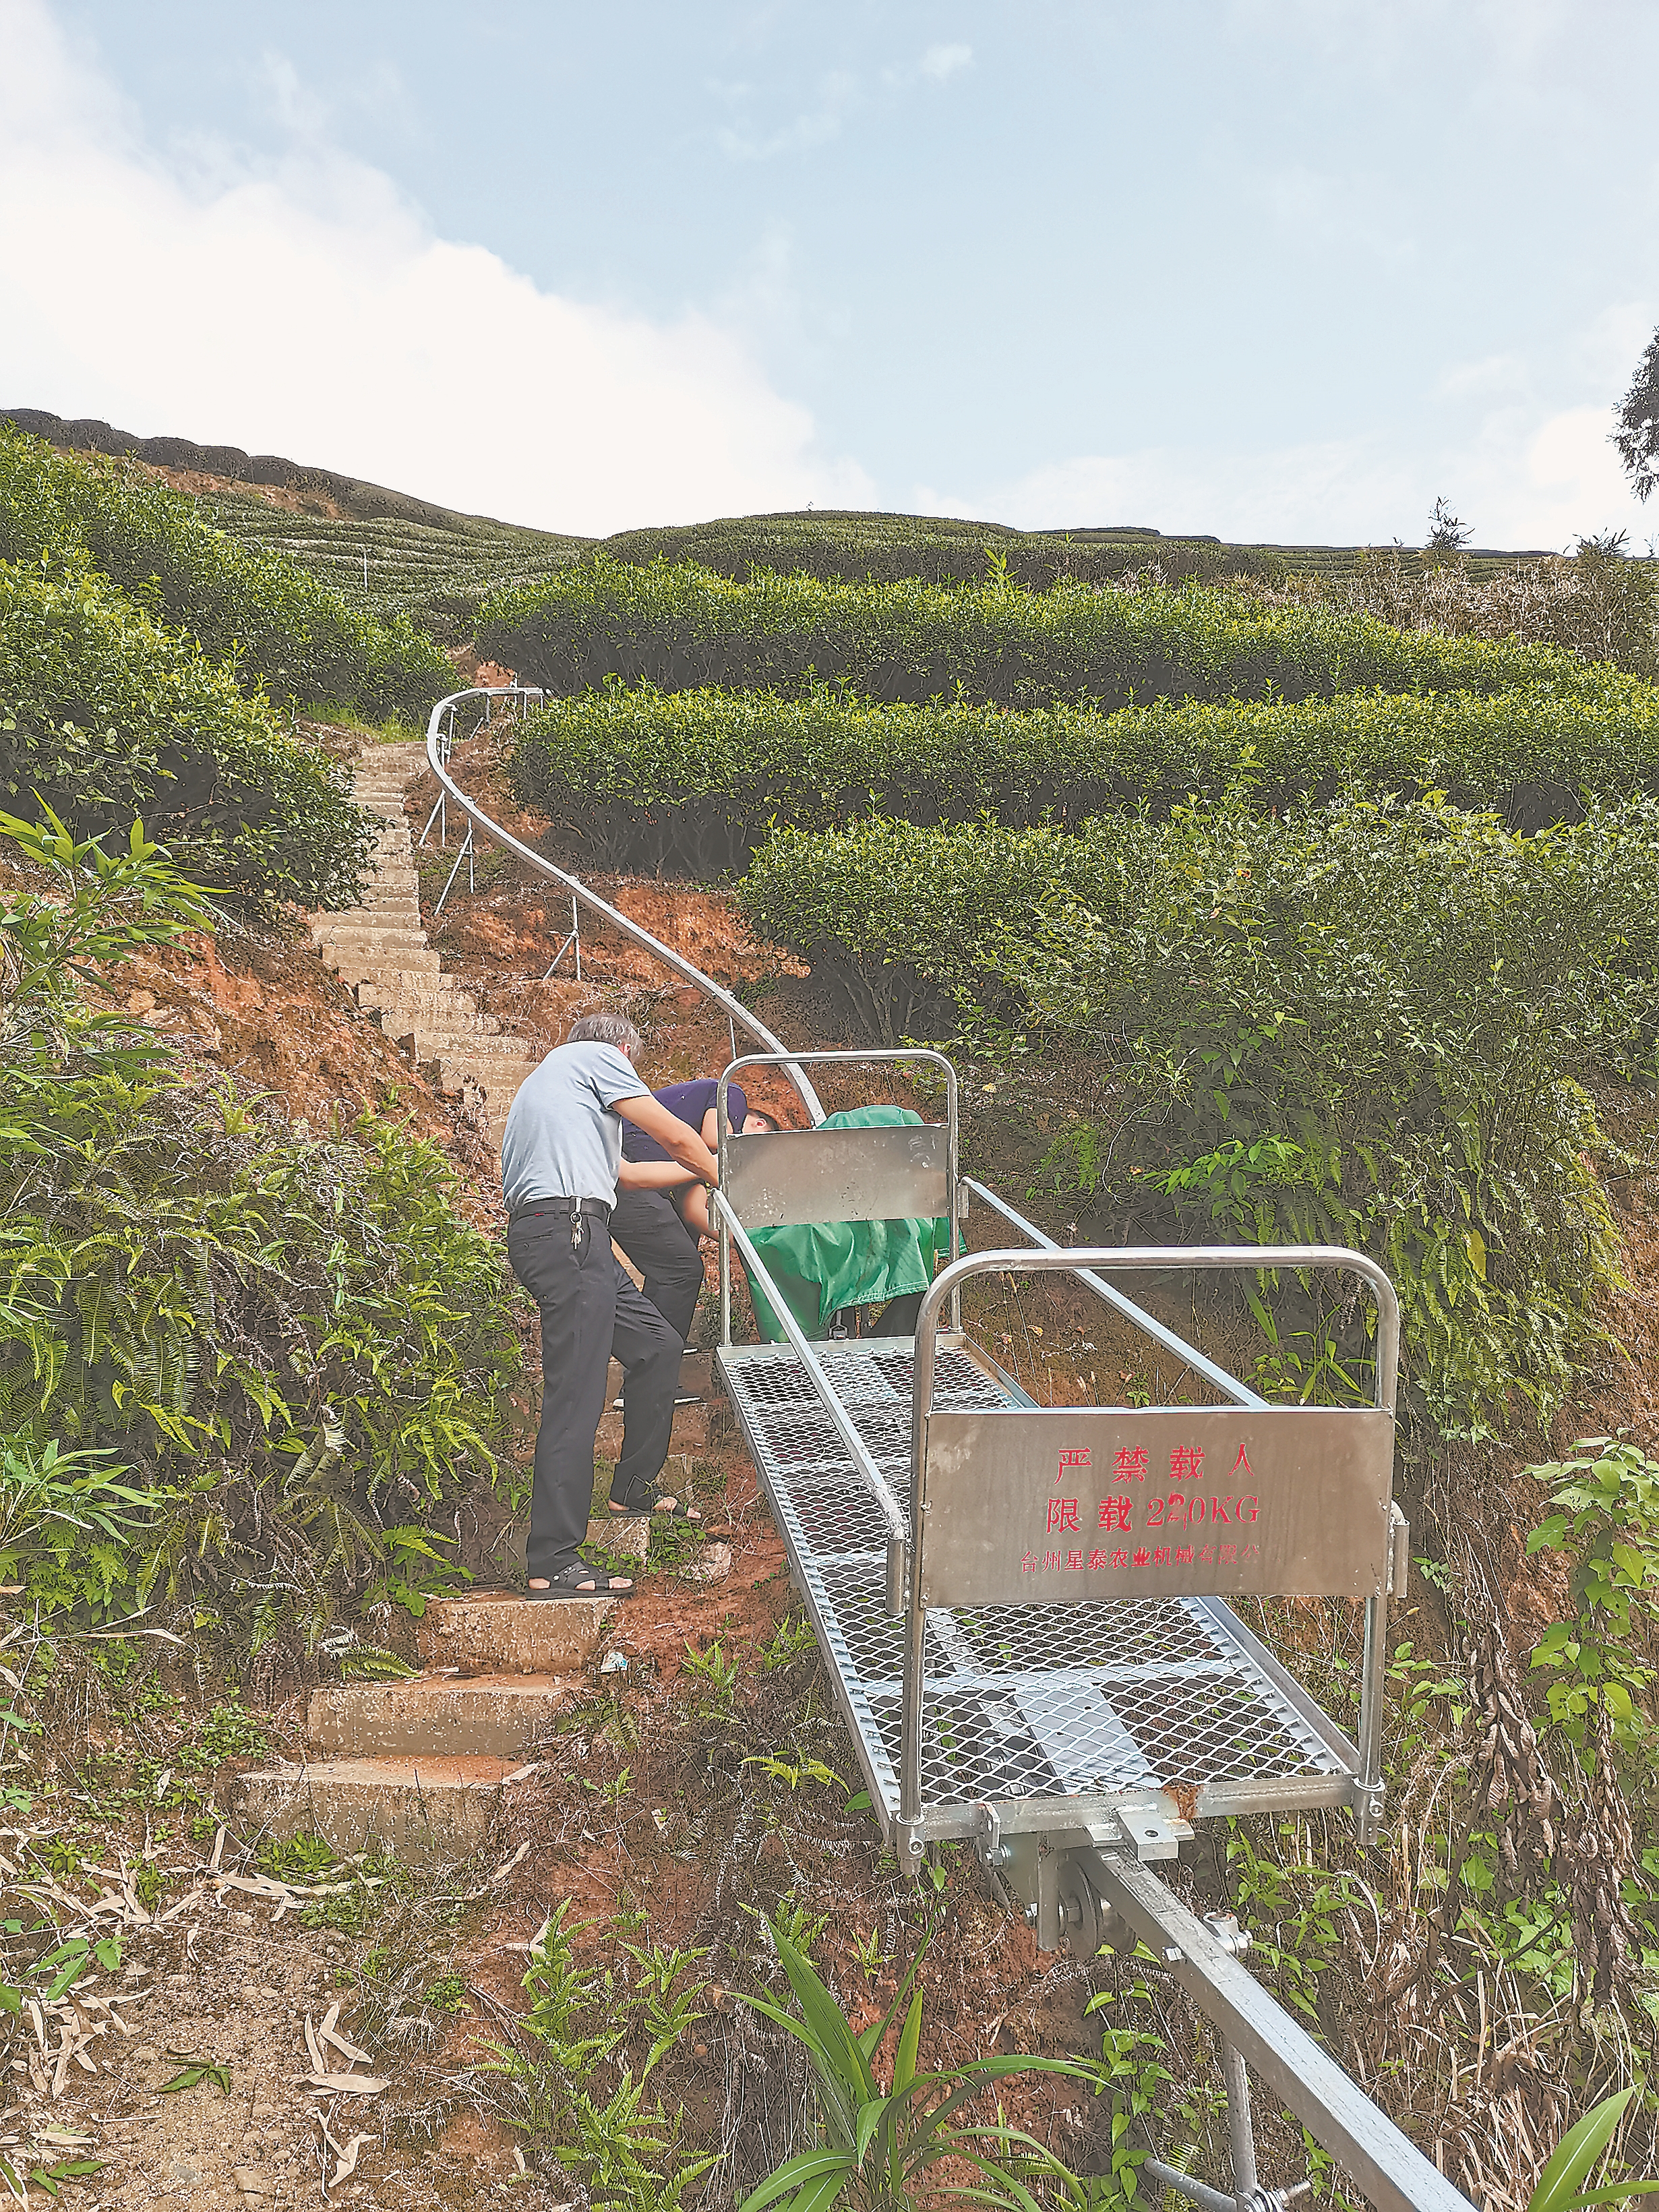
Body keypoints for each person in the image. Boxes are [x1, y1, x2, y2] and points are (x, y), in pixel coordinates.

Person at [502, 1012, 721, 1601]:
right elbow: (678, 1135)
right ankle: (552, 1558)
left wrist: (710, 1177)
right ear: (623, 1049)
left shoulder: (560, 1086)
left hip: (572, 1235)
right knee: (576, 1389)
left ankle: (633, 1487)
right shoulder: (595, 1057)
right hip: (567, 1233)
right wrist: (718, 1168)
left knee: (657, 1345)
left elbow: (626, 1172)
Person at [611, 1078, 779, 1350]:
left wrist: (754, 1244)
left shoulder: (689, 1153)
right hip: (623, 1167)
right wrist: (731, 1164)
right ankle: (653, 1362)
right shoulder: (731, 1093)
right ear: (759, 1124)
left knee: (679, 1258)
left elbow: (694, 1213)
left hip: (634, 1178)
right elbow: (715, 1140)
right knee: (681, 1270)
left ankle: (657, 1360)